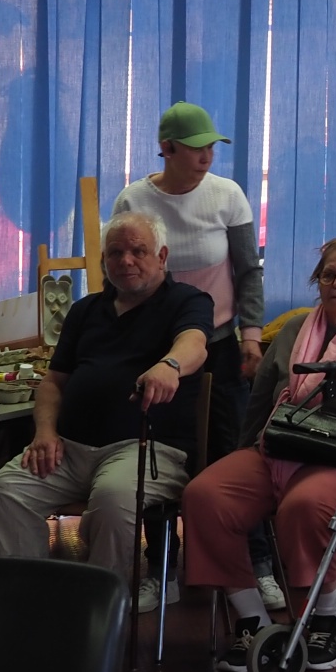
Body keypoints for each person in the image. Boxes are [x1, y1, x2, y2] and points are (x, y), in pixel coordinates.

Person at [182, 236, 336, 671]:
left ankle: (328, 617)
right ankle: (253, 620)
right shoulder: (293, 331)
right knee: (205, 495)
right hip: (287, 444)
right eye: (328, 275)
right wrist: (247, 450)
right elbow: (260, 402)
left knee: (305, 504)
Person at [0, 212, 211, 609]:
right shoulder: (86, 310)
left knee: (113, 498)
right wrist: (45, 432)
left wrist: (170, 365)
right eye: (116, 253)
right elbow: (53, 382)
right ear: (104, 260)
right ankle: (25, 605)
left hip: (146, 449)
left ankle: (97, 610)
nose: (126, 261)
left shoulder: (186, 301)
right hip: (69, 450)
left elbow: (194, 344)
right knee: (4, 492)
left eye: (138, 251)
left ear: (162, 256)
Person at [109, 102, 264, 465]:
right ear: (167, 148)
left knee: (231, 444)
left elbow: (248, 270)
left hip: (218, 342)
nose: (207, 156)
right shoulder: (133, 200)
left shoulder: (227, 195)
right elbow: (117, 273)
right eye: (196, 148)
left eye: (211, 147)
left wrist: (251, 335)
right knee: (158, 445)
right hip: (153, 341)